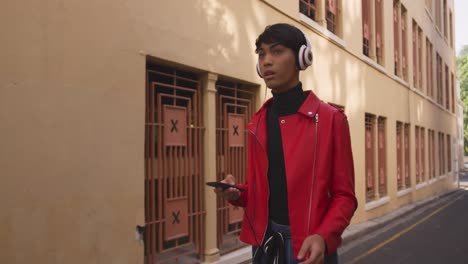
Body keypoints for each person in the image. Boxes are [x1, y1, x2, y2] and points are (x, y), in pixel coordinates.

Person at [215, 23, 357, 264]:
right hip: (264, 246)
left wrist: (323, 236)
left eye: (277, 51)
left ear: (303, 57)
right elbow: (266, 191)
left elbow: (345, 196)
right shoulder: (258, 122)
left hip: (308, 247)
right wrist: (237, 193)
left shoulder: (332, 120)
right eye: (261, 54)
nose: (266, 60)